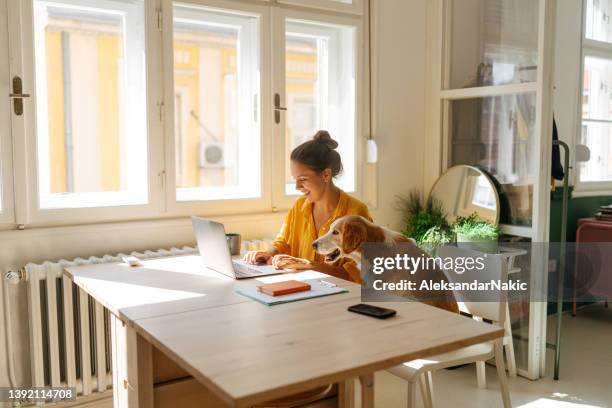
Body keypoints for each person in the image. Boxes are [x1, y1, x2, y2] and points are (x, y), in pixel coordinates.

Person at [244, 130, 372, 283]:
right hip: (302, 289)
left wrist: (310, 265)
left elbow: (357, 275)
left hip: (341, 297)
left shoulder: (356, 213)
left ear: (326, 175)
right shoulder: (299, 206)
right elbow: (284, 243)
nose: (297, 186)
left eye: (303, 179)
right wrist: (268, 253)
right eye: (295, 179)